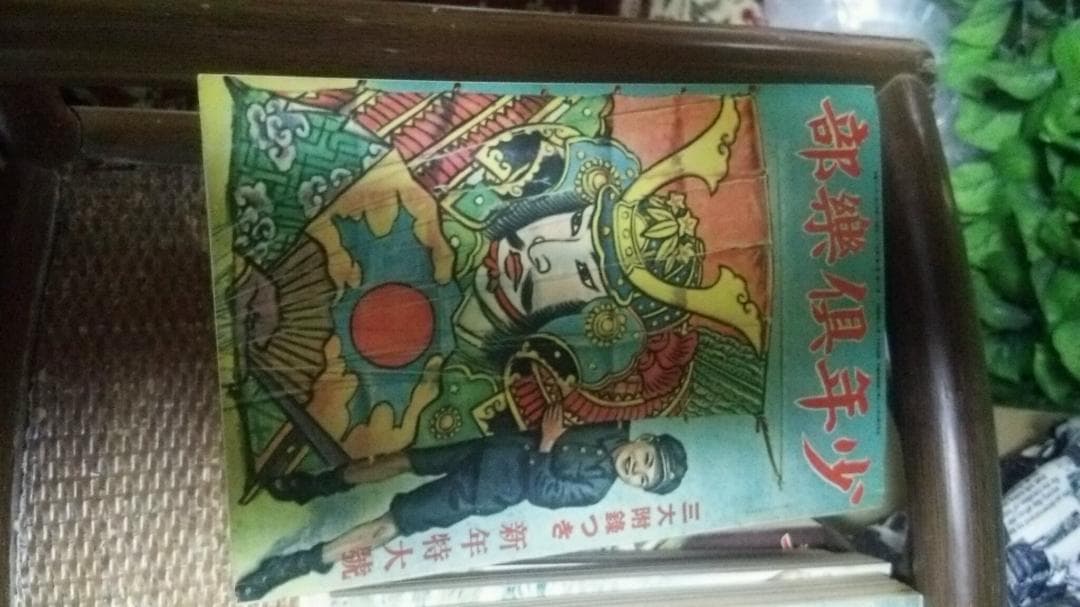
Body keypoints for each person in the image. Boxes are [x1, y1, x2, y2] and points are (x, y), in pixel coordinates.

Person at [235, 403, 688, 600]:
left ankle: (297, 564)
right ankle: (318, 485)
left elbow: (542, 493)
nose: (636, 469)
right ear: (645, 440)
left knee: (396, 521)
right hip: (491, 445)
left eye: (644, 479)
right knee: (401, 460)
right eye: (646, 459)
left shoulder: (595, 489)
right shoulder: (612, 422)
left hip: (484, 490)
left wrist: (549, 442)